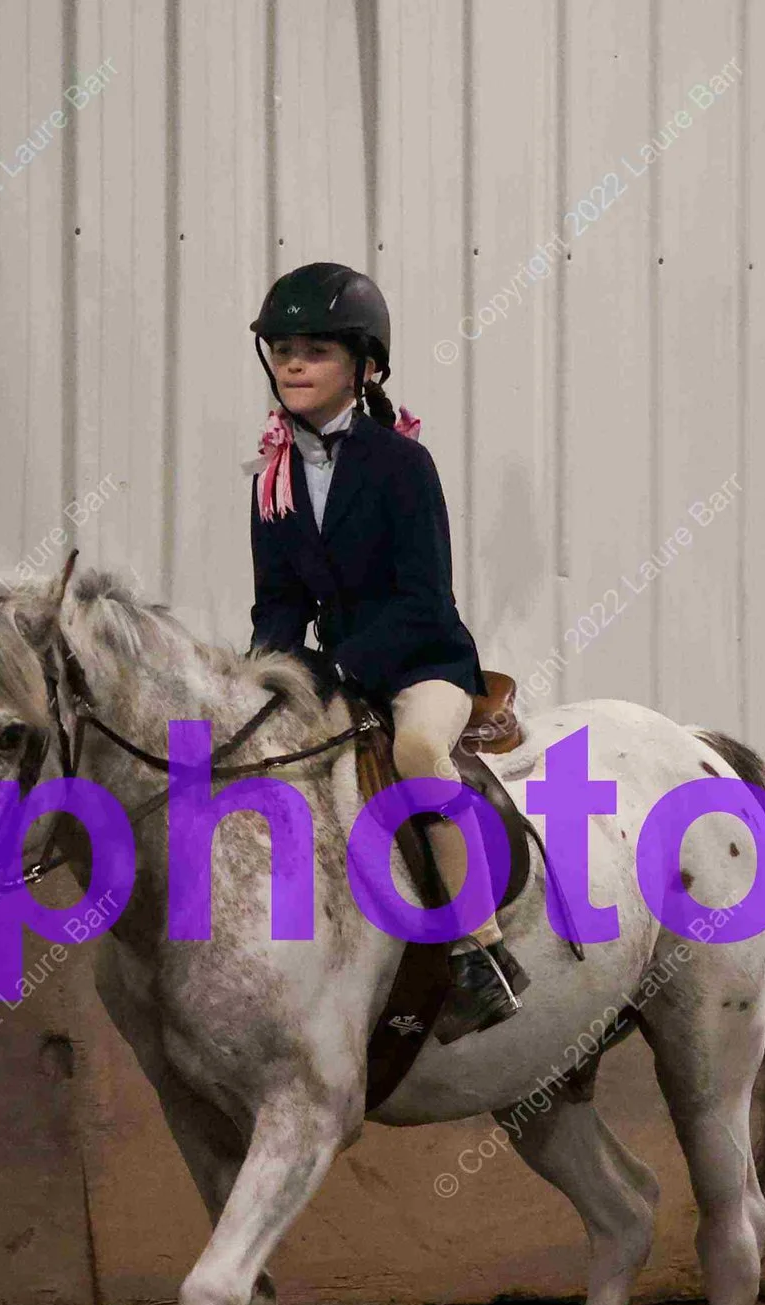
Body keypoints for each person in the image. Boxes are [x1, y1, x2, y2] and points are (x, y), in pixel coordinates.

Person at [244, 261, 530, 1042]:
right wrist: (265, 671)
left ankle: (482, 950)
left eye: (316, 352)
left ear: (363, 367)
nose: (294, 364)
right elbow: (279, 603)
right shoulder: (274, 477)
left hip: (421, 663)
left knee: (416, 750)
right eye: (283, 350)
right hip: (336, 673)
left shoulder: (403, 465)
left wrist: (342, 665)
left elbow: (424, 598)